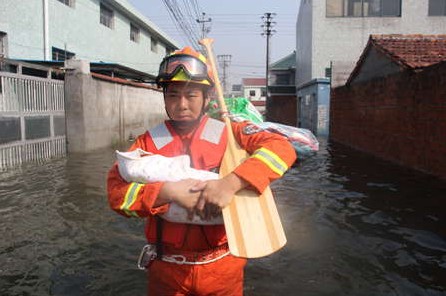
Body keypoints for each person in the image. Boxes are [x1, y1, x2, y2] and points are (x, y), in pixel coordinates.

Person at [107, 46, 297, 295]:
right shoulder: (145, 144)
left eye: (191, 95)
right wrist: (166, 192)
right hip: (166, 269)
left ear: (207, 98)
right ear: (164, 97)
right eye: (173, 95)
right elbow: (117, 196)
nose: (181, 104)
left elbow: (282, 149)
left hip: (224, 268)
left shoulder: (232, 133)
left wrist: (231, 183)